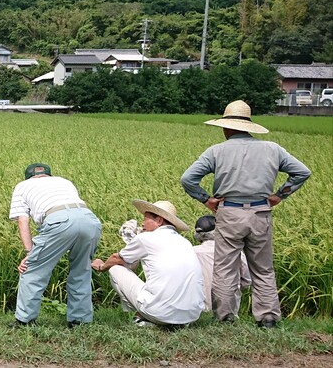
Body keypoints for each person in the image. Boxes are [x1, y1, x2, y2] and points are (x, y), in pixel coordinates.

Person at [181, 100, 311, 328]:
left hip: (229, 212)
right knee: (262, 267)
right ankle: (268, 318)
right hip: (261, 212)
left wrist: (206, 199)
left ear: (227, 127)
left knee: (225, 267)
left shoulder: (216, 151)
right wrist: (280, 195)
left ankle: (225, 317)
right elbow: (302, 172)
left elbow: (188, 179)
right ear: (249, 127)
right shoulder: (272, 149)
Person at [9, 163, 102, 328]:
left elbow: (23, 220)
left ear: (29, 176)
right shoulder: (64, 181)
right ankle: (79, 322)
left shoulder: (22, 186)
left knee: (33, 270)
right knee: (82, 271)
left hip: (59, 221)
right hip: (90, 220)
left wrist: (29, 253)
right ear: (49, 175)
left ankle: (24, 321)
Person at [91, 200, 204, 328]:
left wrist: (101, 266)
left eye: (145, 219)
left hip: (161, 313)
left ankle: (139, 317)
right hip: (192, 315)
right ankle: (166, 320)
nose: (142, 223)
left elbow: (117, 258)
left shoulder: (145, 238)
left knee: (115, 269)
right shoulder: (185, 242)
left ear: (159, 221)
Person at [192, 215, 251, 312]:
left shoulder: (191, 252)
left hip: (198, 310)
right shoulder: (236, 252)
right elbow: (247, 281)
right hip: (228, 311)